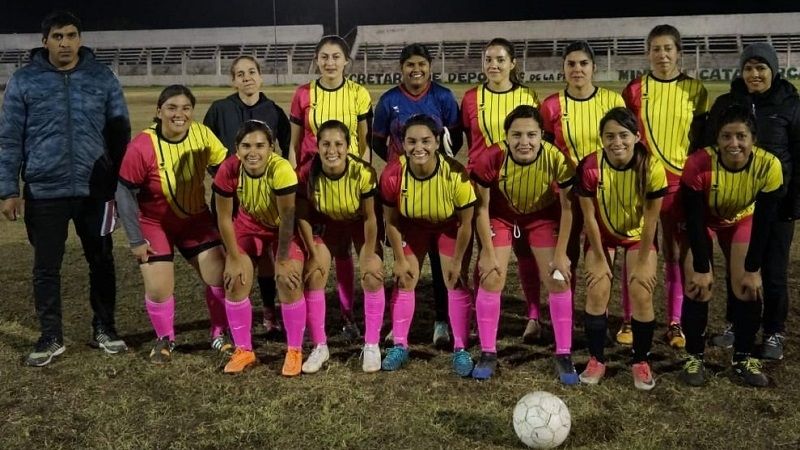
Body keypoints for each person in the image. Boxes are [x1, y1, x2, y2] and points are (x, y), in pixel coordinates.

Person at [0, 11, 131, 366]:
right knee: (46, 267)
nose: (65, 43)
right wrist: (9, 190)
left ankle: (105, 328)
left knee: (102, 260)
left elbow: (120, 134)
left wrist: (120, 185)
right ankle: (51, 335)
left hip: (96, 190)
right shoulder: (24, 81)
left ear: (80, 39)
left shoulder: (102, 77)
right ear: (45, 41)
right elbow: (9, 139)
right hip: (45, 191)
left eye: (71, 35)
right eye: (57, 36)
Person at [116, 85, 229, 364]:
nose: (180, 114)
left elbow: (225, 172)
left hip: (195, 220)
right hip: (154, 223)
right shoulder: (142, 146)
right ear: (159, 111)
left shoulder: (202, 134)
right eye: (172, 108)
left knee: (221, 275)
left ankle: (219, 333)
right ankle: (165, 338)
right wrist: (135, 239)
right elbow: (124, 193)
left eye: (186, 108)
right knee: (158, 288)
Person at [703, 43, 800, 360]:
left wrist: (793, 202)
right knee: (738, 268)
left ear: (774, 70)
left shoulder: (791, 104)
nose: (754, 74)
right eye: (748, 68)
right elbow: (710, 147)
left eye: (761, 68)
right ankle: (737, 324)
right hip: (739, 203)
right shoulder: (728, 103)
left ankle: (774, 331)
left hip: (778, 204)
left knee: (773, 271)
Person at [469, 105, 576, 382]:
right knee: (492, 276)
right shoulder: (490, 158)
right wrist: (487, 253)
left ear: (542, 135)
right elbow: (481, 209)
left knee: (558, 278)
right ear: (506, 137)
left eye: (531, 135)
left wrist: (561, 254)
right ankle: (488, 352)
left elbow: (568, 209)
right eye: (516, 135)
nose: (524, 142)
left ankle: (564, 354)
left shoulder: (557, 159)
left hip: (542, 216)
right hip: (502, 216)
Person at [679, 104, 783, 387]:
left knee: (748, 287)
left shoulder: (769, 166)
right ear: (717, 138)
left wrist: (753, 268)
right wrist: (702, 268)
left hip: (741, 220)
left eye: (741, 136)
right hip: (704, 221)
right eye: (726, 136)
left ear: (753, 139)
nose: (733, 143)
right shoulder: (698, 163)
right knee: (698, 285)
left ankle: (743, 358)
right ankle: (694, 358)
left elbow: (764, 223)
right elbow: (694, 219)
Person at [622, 24, 708, 349]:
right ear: (648, 54)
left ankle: (675, 322)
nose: (662, 55)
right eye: (656, 49)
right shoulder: (634, 90)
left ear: (678, 52)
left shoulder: (695, 90)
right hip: (641, 183)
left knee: (674, 254)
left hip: (679, 186)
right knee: (637, 252)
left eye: (668, 48)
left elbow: (699, 140)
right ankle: (629, 319)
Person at [372, 43, 462, 348]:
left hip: (436, 184)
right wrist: (400, 167)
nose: (416, 70)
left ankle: (441, 321)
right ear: (402, 67)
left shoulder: (443, 97)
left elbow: (455, 138)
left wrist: (432, 164)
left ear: (430, 66)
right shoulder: (389, 101)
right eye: (410, 64)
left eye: (422, 64)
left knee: (439, 257)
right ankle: (397, 324)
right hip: (403, 186)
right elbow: (378, 141)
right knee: (403, 257)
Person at [576, 107, 666, 391]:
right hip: (602, 236)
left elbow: (651, 221)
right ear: (601, 138)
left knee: (642, 292)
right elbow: (589, 218)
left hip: (638, 238)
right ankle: (596, 360)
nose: (617, 142)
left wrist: (642, 261)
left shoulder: (651, 168)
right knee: (596, 290)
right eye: (609, 136)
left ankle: (640, 361)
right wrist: (600, 258)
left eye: (624, 135)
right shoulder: (590, 166)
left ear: (637, 136)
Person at [289, 35, 373, 340]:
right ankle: (313, 323)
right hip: (313, 183)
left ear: (346, 61)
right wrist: (294, 181)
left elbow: (364, 142)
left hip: (349, 181)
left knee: (347, 248)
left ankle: (349, 315)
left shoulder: (358, 93)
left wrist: (362, 177)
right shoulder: (303, 94)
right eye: (324, 57)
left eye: (336, 57)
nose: (330, 62)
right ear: (316, 60)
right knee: (319, 251)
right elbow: (294, 143)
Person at [540, 41, 627, 333]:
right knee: (565, 257)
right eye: (571, 64)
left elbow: (623, 145)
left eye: (583, 64)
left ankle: (601, 316)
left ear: (594, 67)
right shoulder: (551, 105)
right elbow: (546, 149)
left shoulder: (613, 101)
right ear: (563, 68)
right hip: (565, 195)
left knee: (601, 257)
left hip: (604, 194)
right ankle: (565, 321)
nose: (577, 69)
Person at [379, 115, 476, 375]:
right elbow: (391, 221)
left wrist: (458, 261)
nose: (418, 147)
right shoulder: (392, 174)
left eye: (426, 141)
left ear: (437, 142)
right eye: (411, 141)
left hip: (449, 227)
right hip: (413, 227)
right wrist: (399, 259)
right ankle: (400, 345)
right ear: (403, 143)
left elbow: (466, 223)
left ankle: (461, 348)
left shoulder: (456, 174)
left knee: (455, 280)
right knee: (405, 279)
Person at [460, 37, 543, 342]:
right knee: (486, 250)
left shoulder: (527, 95)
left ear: (512, 63)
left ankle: (534, 316)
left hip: (522, 183)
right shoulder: (471, 98)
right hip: (484, 186)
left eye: (500, 60)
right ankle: (475, 313)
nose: (493, 65)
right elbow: (470, 140)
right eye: (488, 60)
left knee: (525, 250)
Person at [204, 55, 292, 336]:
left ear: (260, 77)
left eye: (252, 72)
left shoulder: (274, 111)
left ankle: (268, 311)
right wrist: (224, 177)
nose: (247, 78)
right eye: (240, 74)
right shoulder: (219, 109)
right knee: (230, 256)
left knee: (265, 255)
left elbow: (287, 149)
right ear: (233, 80)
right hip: (229, 196)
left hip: (264, 198)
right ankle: (225, 319)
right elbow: (206, 147)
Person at [212, 120, 308, 376]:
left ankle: (294, 350)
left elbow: (287, 217)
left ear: (271, 148)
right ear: (236, 149)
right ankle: (243, 350)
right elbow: (224, 217)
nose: (252, 152)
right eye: (246, 146)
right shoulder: (229, 168)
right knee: (235, 280)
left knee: (288, 280)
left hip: (281, 229)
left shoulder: (281, 169)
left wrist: (283, 259)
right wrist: (233, 257)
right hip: (247, 226)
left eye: (259, 145)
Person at [296, 120, 385, 373]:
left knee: (372, 274)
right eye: (326, 144)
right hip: (328, 222)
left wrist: (369, 253)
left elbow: (370, 218)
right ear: (317, 146)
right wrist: (311, 252)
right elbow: (302, 215)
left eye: (338, 144)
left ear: (348, 147)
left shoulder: (363, 172)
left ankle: (371, 344)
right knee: (314, 274)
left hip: (358, 222)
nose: (332, 150)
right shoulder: (306, 172)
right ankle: (320, 346)